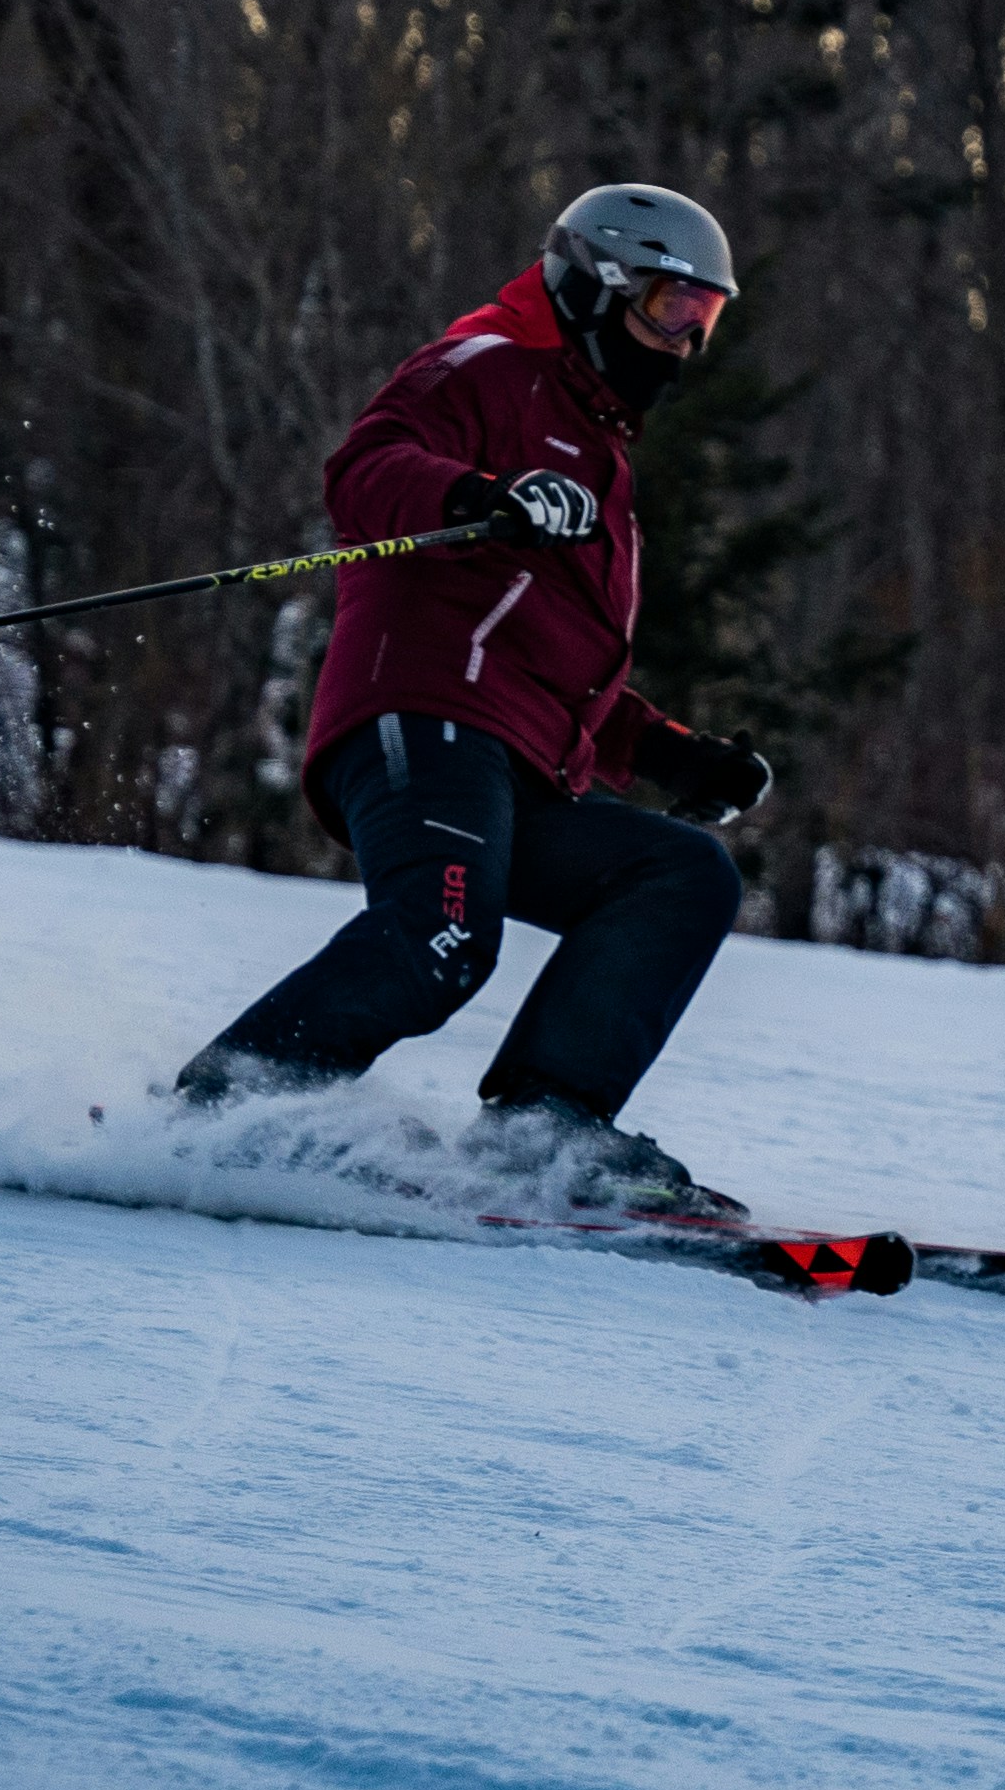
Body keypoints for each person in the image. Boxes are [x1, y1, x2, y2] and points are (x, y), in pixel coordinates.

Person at [179, 184, 781, 1215]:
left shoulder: (603, 459)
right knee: (441, 939)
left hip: (517, 758)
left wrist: (677, 754)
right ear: (593, 286)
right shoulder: (490, 365)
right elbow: (364, 469)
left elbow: (555, 664)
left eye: (703, 322)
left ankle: (545, 1128)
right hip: (423, 717)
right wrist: (478, 496)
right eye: (664, 310)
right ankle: (219, 1111)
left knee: (680, 871)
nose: (681, 345)